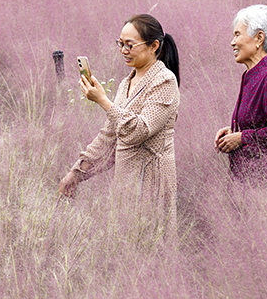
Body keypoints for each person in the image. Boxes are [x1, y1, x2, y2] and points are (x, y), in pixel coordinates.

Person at [59, 14, 180, 239]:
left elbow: (138, 131)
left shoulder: (165, 81)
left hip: (152, 185)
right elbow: (108, 138)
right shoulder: (127, 82)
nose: (123, 50)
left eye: (130, 45)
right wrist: (75, 174)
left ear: (154, 46)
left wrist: (103, 101)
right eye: (120, 43)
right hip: (126, 186)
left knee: (151, 253)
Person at [215, 4, 267, 182]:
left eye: (237, 34)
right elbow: (259, 123)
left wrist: (242, 137)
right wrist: (233, 132)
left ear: (259, 38)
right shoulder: (251, 75)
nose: (232, 42)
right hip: (247, 183)